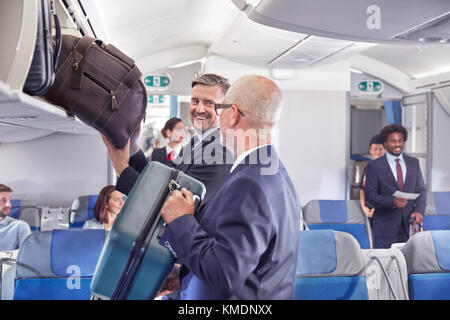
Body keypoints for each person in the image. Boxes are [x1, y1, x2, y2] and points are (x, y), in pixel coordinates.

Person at [159, 75, 301, 299]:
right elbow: (242, 260)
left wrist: (181, 219)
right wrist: (184, 273)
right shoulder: (273, 172)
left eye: (220, 107)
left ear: (232, 114)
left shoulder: (248, 184)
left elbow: (225, 275)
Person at [101, 73, 234, 205]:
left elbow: (173, 204)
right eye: (195, 101)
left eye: (209, 103)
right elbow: (161, 180)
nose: (199, 109)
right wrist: (133, 145)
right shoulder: (195, 142)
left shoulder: (220, 150)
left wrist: (122, 168)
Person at [365, 124, 426, 248]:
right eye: (393, 141)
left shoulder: (413, 163)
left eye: (400, 141)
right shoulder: (374, 166)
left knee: (407, 264)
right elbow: (370, 196)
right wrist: (392, 202)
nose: (397, 144)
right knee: (385, 264)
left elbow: (421, 191)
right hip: (384, 227)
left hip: (408, 226)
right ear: (385, 143)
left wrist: (419, 211)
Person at [359, 134, 386, 219]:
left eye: (380, 149)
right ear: (370, 150)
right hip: (369, 212)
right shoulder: (368, 168)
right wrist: (364, 207)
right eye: (375, 149)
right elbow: (362, 189)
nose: (378, 152)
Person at [0, 184, 31, 251]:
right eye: (3, 200)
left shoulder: (20, 226)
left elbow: (28, 257)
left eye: (9, 200)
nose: (9, 205)